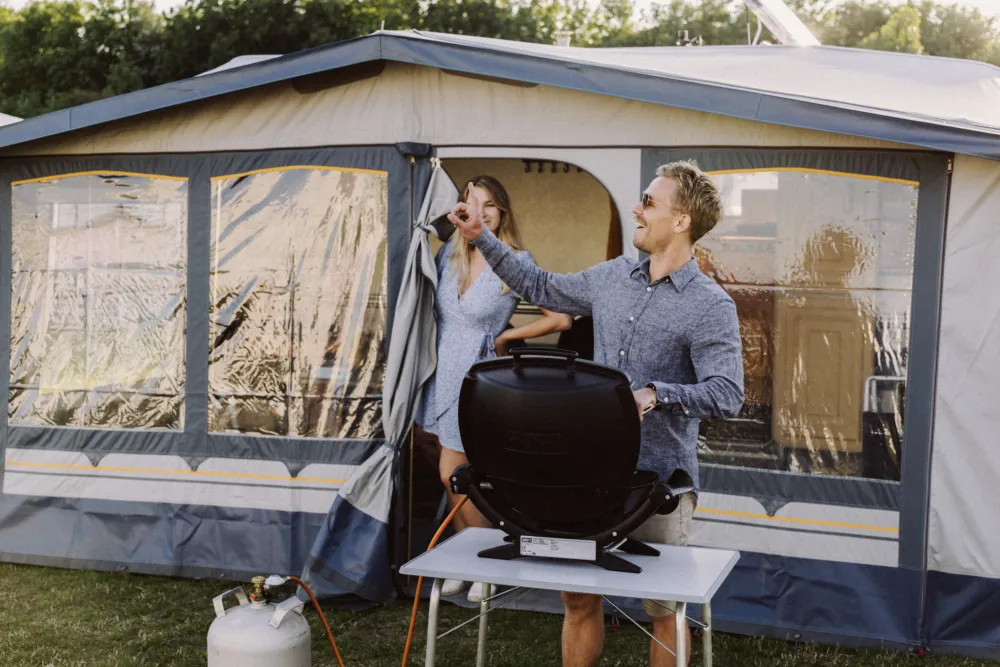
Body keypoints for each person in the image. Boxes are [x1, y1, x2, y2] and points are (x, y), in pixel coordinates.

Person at [448, 161, 745, 667]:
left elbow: (728, 392)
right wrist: (482, 238)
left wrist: (654, 393)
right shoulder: (610, 278)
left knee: (663, 608)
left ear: (681, 221)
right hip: (588, 477)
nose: (636, 207)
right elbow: (539, 286)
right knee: (577, 597)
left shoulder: (710, 305)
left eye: (649, 202)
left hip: (659, 481)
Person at [417, 174, 572, 603]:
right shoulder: (452, 251)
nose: (480, 210)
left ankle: (485, 562)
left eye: (489, 204)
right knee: (452, 476)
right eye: (472, 201)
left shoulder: (514, 259)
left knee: (464, 476)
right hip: (442, 369)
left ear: (501, 211)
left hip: (479, 380)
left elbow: (560, 318)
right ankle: (469, 561)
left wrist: (507, 338)